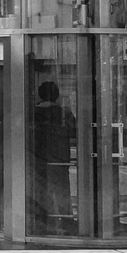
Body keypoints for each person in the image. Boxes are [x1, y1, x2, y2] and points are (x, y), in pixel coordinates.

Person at [27, 80, 77, 234]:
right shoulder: (64, 113)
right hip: (60, 160)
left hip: (38, 159)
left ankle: (41, 219)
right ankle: (66, 219)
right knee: (62, 191)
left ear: (40, 95)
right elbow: (74, 132)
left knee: (40, 190)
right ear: (57, 96)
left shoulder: (32, 113)